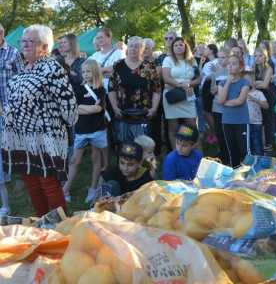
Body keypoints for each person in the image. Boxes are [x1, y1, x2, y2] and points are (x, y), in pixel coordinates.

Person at [1, 25, 77, 217]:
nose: (25, 45)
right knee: (32, 184)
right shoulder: (24, 67)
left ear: (44, 46)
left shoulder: (52, 68)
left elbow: (69, 106)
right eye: (23, 41)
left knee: (48, 184)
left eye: (30, 41)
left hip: (45, 137)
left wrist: (58, 127)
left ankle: (61, 226)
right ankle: (42, 224)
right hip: (21, 138)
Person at [62, 59, 107, 204]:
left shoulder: (100, 89)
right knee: (74, 160)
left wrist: (82, 108)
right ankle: (65, 189)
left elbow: (99, 108)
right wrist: (90, 109)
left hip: (97, 129)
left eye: (88, 71)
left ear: (95, 72)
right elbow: (74, 108)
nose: (85, 74)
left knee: (96, 158)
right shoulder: (78, 89)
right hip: (81, 130)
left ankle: (93, 188)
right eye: (83, 72)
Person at [109, 36, 161, 143]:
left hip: (144, 114)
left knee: (142, 146)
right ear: (127, 48)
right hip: (122, 112)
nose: (133, 49)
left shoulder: (149, 66)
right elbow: (111, 88)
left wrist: (154, 108)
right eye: (131, 46)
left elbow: (157, 90)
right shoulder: (118, 65)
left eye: (137, 46)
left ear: (142, 49)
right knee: (125, 147)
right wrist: (114, 108)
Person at [0, 23, 24, 215]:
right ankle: (5, 176)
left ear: (2, 34)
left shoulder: (13, 53)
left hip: (11, 106)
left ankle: (19, 177)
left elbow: (22, 77)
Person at [162, 37, 200, 149]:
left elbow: (198, 79)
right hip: (172, 95)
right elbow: (166, 78)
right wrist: (180, 85)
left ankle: (193, 153)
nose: (178, 47)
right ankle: (176, 154)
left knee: (192, 126)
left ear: (185, 47)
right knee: (173, 127)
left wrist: (188, 84)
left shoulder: (192, 60)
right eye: (176, 45)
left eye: (181, 45)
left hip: (188, 95)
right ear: (172, 48)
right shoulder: (167, 60)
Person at [218, 55, 250, 167]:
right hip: (227, 121)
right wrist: (228, 82)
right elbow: (220, 99)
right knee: (232, 150)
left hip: (241, 121)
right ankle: (235, 171)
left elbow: (240, 101)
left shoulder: (244, 82)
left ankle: (246, 173)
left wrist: (226, 102)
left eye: (234, 64)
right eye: (229, 64)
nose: (230, 66)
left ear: (240, 68)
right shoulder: (222, 83)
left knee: (243, 150)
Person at [254, 48, 276, 151]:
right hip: (257, 95)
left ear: (265, 57)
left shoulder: (269, 68)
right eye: (255, 56)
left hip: (267, 95)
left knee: (267, 119)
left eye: (260, 55)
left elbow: (265, 85)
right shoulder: (253, 68)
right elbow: (252, 82)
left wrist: (257, 83)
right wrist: (259, 83)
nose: (257, 58)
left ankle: (268, 143)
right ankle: (259, 141)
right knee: (258, 118)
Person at [210, 48, 228, 162]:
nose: (221, 60)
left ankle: (230, 154)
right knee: (219, 132)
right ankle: (222, 154)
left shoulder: (231, 71)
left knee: (228, 132)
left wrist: (220, 87)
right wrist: (216, 88)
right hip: (217, 106)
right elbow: (212, 90)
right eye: (219, 57)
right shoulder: (215, 73)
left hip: (229, 106)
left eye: (223, 57)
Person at [244, 72, 269, 156]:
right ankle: (249, 161)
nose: (246, 82)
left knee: (257, 143)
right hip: (245, 123)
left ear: (254, 82)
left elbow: (266, 106)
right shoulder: (242, 93)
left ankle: (260, 159)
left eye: (249, 80)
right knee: (247, 144)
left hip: (256, 122)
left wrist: (255, 100)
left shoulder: (259, 93)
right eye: (244, 80)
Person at [200, 44, 218, 144]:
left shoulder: (216, 62)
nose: (204, 50)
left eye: (206, 48)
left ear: (211, 51)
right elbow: (200, 75)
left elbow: (217, 75)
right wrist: (201, 63)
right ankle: (212, 133)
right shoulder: (207, 63)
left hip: (210, 87)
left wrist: (209, 77)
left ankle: (215, 133)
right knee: (206, 112)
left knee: (208, 112)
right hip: (204, 88)